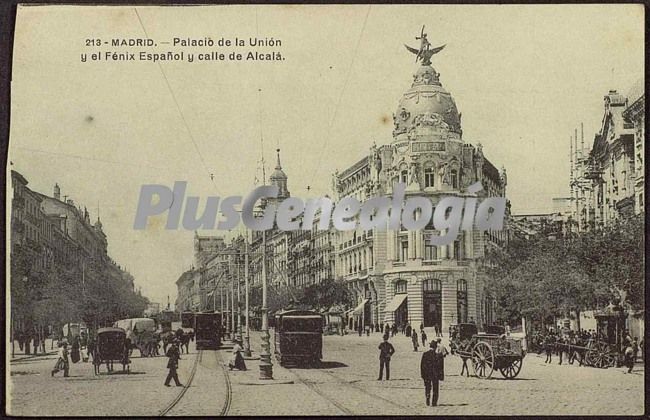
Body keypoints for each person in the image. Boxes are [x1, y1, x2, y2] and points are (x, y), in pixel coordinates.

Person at [420, 340, 442, 406]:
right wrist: (441, 376)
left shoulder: (425, 354)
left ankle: (427, 395)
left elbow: (422, 365)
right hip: (435, 374)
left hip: (427, 374)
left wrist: (422, 374)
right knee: (435, 388)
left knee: (427, 386)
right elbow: (440, 366)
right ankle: (434, 402)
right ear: (435, 347)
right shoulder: (437, 355)